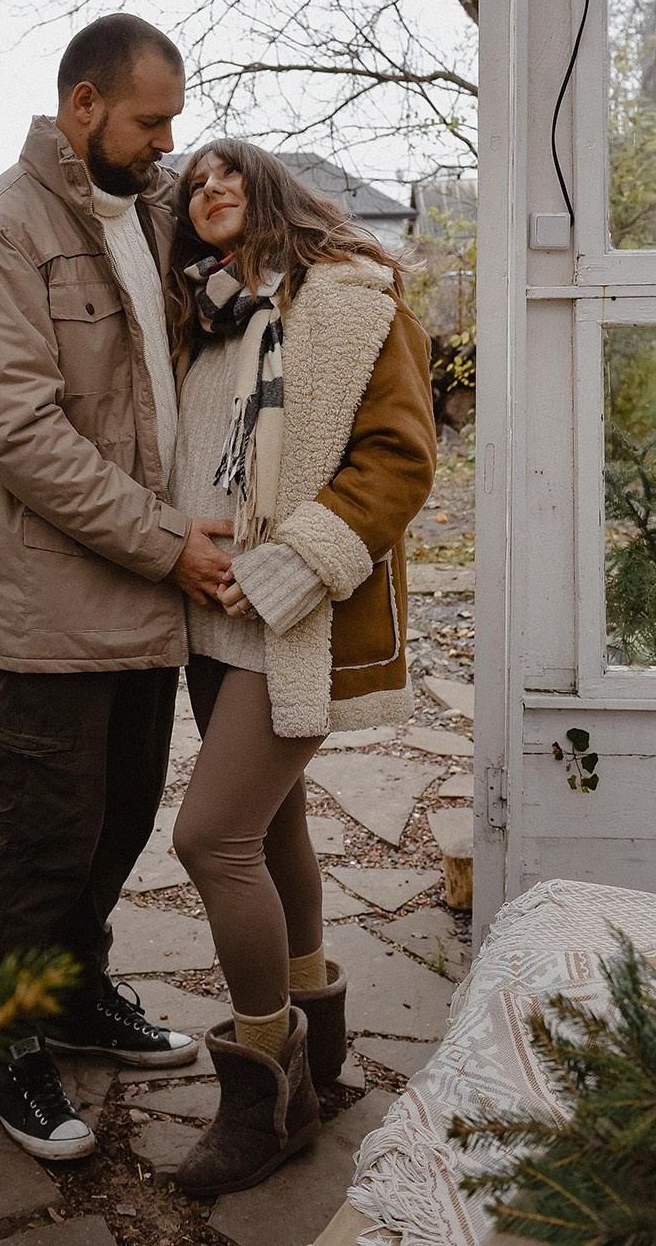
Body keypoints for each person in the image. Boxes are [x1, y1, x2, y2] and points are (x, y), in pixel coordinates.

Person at [0, 13, 234, 1162]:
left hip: (142, 596)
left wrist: (213, 231)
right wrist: (167, 541)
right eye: (150, 118)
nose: (169, 138)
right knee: (35, 840)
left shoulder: (147, 215)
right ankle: (9, 1046)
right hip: (52, 600)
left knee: (110, 828)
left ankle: (74, 994)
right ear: (83, 108)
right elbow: (20, 431)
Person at [164, 140, 437, 1197]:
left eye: (228, 173)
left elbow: (400, 461)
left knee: (210, 834)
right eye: (193, 182)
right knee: (271, 825)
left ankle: (263, 1084)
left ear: (269, 187)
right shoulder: (209, 312)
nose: (209, 190)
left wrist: (285, 564)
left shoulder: (356, 303)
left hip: (292, 611)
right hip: (209, 616)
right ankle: (321, 1046)